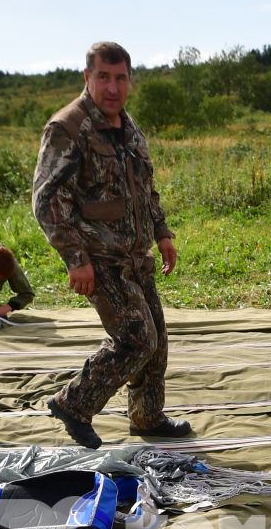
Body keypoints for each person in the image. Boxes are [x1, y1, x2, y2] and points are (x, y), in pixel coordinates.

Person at [32, 41, 189, 449]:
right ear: (87, 77)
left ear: (130, 82)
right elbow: (48, 201)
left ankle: (147, 417)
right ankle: (74, 403)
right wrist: (75, 259)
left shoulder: (128, 127)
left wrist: (163, 233)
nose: (112, 87)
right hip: (99, 259)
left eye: (120, 78)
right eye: (103, 77)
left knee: (156, 343)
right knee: (137, 338)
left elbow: (144, 190)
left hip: (135, 256)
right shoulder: (68, 128)